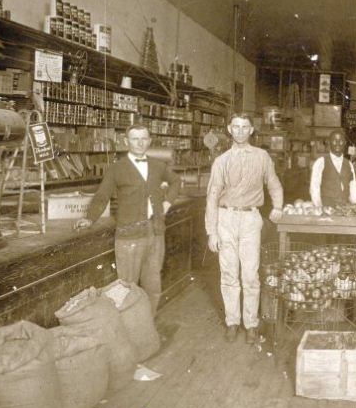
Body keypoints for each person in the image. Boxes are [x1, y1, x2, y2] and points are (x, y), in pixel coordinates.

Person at [74, 124, 180, 314]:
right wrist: (89, 219)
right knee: (125, 288)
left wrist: (167, 203)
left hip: (155, 233)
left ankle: (146, 328)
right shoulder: (117, 168)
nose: (139, 143)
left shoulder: (158, 166)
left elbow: (176, 182)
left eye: (143, 138)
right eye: (134, 139)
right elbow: (102, 196)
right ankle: (129, 332)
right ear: (126, 142)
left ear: (149, 141)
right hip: (128, 236)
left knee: (153, 286)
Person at [206, 112, 283, 343]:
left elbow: (274, 184)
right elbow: (211, 196)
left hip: (250, 219)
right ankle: (232, 322)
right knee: (229, 273)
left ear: (251, 130)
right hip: (225, 218)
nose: (240, 131)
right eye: (236, 127)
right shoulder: (221, 161)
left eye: (245, 127)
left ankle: (251, 324)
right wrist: (211, 231)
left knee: (250, 274)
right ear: (229, 129)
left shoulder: (262, 157)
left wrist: (278, 206)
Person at [310, 128, 356, 207]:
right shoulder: (321, 162)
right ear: (329, 142)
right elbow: (314, 187)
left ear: (345, 143)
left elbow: (353, 186)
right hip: (327, 207)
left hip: (344, 208)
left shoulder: (349, 164)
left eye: (341, 141)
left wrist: (355, 204)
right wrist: (319, 207)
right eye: (334, 140)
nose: (338, 143)